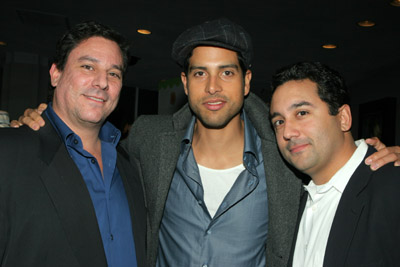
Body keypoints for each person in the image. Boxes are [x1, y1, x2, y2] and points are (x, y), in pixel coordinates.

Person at [12, 18, 400, 267]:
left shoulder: (286, 156)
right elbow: (78, 152)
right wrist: (41, 124)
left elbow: (337, 164)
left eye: (227, 73)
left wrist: (377, 155)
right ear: (185, 84)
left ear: (247, 82)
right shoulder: (149, 141)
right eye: (200, 73)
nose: (213, 87)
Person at [0, 21, 146, 266]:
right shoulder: (8, 154)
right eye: (88, 67)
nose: (102, 82)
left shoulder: (131, 165)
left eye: (114, 73)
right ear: (56, 73)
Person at [269, 61, 400, 266]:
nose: (287, 132)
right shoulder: (291, 200)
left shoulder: (391, 185)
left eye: (302, 113)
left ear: (343, 118)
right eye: (279, 121)